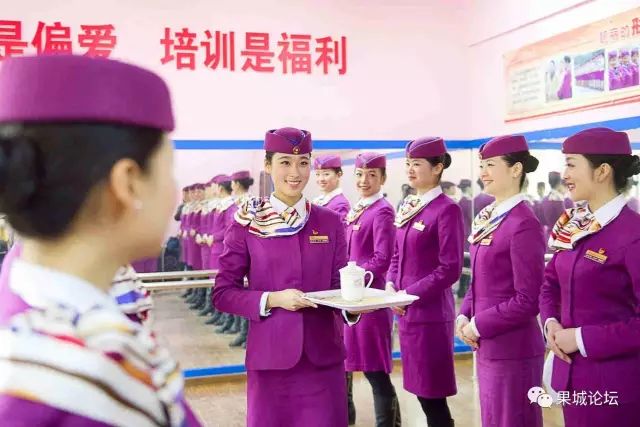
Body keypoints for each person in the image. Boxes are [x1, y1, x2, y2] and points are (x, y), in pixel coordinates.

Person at [0, 54, 200, 426]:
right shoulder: (92, 384)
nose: (174, 192)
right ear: (127, 183)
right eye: (168, 171)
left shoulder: (22, 298)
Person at [212, 127, 361, 427]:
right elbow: (223, 293)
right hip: (270, 363)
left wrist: (355, 307)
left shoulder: (329, 222)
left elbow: (338, 287)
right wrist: (273, 299)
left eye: (303, 163)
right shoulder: (248, 222)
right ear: (268, 166)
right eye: (285, 162)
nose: (295, 172)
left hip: (323, 361)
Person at [540, 128, 640, 427]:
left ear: (602, 171)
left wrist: (580, 338)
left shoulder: (633, 234)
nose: (564, 174)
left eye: (571, 164)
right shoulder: (574, 224)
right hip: (573, 380)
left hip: (616, 386)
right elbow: (549, 283)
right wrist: (550, 322)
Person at [457, 135, 545, 427]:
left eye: (491, 165)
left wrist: (477, 324)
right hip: (487, 345)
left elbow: (528, 299)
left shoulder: (523, 223)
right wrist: (463, 314)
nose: (483, 172)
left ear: (516, 169)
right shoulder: (489, 216)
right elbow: (479, 279)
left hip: (513, 349)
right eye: (482, 165)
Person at [387, 137, 463, 427]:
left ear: (437, 168)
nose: (410, 169)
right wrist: (391, 286)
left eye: (417, 164)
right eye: (408, 163)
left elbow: (450, 268)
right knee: (421, 392)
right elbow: (397, 254)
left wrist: (407, 294)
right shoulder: (410, 205)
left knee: (433, 396)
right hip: (407, 313)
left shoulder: (446, 209)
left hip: (430, 317)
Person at [344, 152, 399, 427]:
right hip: (351, 301)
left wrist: (354, 276)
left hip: (370, 301)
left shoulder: (382, 210)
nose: (364, 180)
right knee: (348, 365)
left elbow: (382, 257)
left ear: (383, 178)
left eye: (372, 175)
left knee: (375, 372)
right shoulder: (359, 208)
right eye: (359, 174)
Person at [313, 154, 351, 223]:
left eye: (326, 174)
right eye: (318, 174)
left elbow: (340, 229)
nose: (321, 179)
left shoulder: (340, 204)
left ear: (338, 175)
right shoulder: (318, 201)